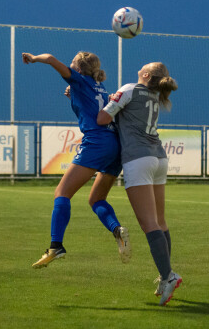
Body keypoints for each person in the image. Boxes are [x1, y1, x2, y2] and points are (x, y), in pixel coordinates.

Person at [22, 51, 131, 269]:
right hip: (115, 145)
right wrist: (73, 94)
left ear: (78, 69)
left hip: (96, 143)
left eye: (72, 64)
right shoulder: (99, 87)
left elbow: (52, 59)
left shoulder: (78, 80)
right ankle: (117, 230)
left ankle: (56, 246)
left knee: (62, 193)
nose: (70, 67)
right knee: (96, 199)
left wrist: (34, 58)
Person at [97, 62, 180, 306]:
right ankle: (166, 276)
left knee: (149, 224)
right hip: (159, 157)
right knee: (160, 222)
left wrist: (109, 102)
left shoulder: (130, 89)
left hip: (138, 159)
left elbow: (102, 119)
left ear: (146, 74)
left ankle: (168, 276)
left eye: (142, 68)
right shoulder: (155, 94)